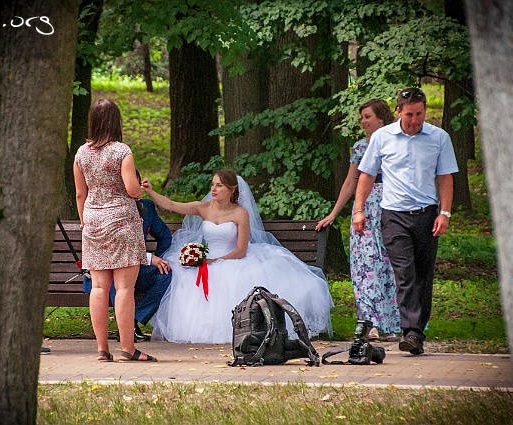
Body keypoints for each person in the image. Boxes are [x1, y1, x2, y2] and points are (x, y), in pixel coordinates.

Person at [141, 169, 334, 344]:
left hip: (233, 259)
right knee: (183, 276)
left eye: (219, 185)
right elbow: (172, 205)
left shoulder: (240, 213)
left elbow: (241, 250)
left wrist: (216, 261)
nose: (214, 189)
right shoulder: (203, 208)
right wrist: (150, 191)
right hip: (208, 260)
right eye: (213, 184)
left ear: (231, 189)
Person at [353, 88, 458, 356]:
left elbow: (445, 177)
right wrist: (359, 210)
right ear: (398, 112)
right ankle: (410, 331)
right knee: (405, 273)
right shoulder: (382, 137)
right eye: (410, 114)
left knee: (423, 275)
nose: (415, 119)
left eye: (420, 114)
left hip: (426, 214)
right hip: (393, 216)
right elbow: (366, 174)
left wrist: (444, 213)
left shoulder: (439, 138)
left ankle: (417, 331)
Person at [74, 98, 157, 362]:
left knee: (98, 287)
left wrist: (85, 221)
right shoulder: (122, 151)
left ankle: (101, 350)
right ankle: (128, 349)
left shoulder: (81, 153)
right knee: (124, 289)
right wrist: (142, 187)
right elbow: (132, 190)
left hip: (93, 222)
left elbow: (79, 193)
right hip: (122, 222)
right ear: (115, 121)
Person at [316, 99, 400, 342]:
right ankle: (370, 323)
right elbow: (351, 181)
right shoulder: (360, 147)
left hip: (391, 206)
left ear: (381, 118)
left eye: (367, 116)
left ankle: (393, 324)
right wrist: (334, 213)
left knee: (390, 265)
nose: (363, 121)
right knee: (366, 265)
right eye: (362, 117)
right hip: (364, 210)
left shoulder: (396, 143)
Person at [108, 198, 173, 342]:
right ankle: (125, 327)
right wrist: (150, 258)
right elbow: (117, 246)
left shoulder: (147, 206)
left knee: (166, 274)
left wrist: (161, 259)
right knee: (116, 276)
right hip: (111, 268)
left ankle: (134, 318)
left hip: (138, 269)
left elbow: (164, 236)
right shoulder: (110, 208)